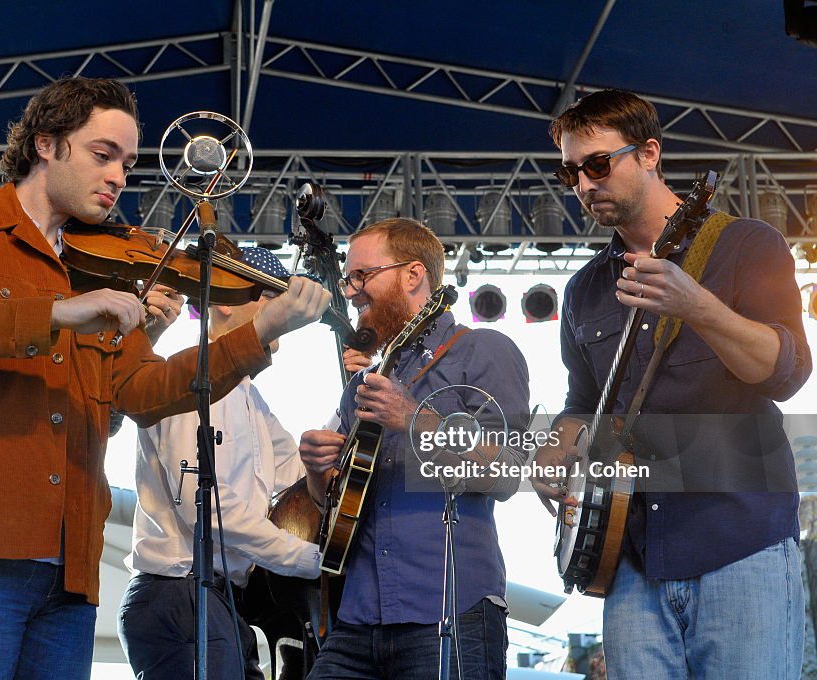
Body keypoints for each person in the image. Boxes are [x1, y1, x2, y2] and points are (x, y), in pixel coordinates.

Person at [0, 76, 330, 680]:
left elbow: (145, 392)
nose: (119, 176)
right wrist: (57, 311)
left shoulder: (100, 267)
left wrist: (259, 330)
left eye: (128, 162)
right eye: (103, 154)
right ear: (46, 144)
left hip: (70, 562)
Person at [532, 89, 811, 679]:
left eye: (598, 164)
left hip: (740, 542)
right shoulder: (584, 290)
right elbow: (582, 404)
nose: (583, 184)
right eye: (570, 171)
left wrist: (700, 307)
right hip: (629, 558)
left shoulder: (745, 244)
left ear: (650, 153)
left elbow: (787, 372)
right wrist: (555, 449)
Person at [298, 218, 531, 680]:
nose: (350, 291)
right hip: (359, 615)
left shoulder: (483, 350)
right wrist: (315, 469)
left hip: (451, 611)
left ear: (413, 274)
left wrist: (414, 419)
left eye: (362, 276)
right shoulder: (364, 384)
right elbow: (336, 504)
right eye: (349, 278)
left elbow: (506, 474)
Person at [115, 247, 332, 680]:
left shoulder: (250, 397)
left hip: (218, 597)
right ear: (221, 304)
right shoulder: (184, 380)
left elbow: (298, 475)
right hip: (178, 593)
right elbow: (211, 512)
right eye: (270, 297)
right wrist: (310, 559)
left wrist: (358, 392)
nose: (283, 312)